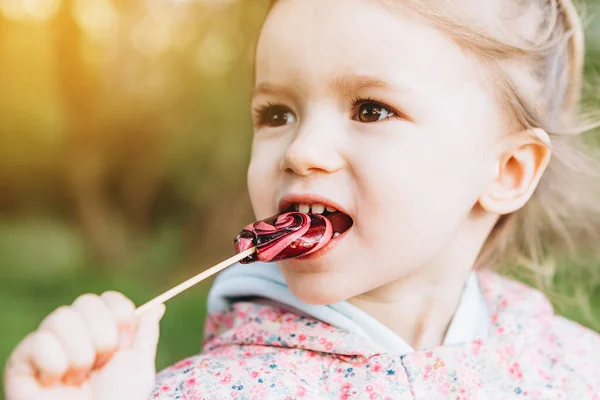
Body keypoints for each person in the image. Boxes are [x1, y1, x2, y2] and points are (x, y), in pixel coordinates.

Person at [5, 0, 600, 398]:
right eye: (276, 113)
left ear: (508, 171)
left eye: (372, 109)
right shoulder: (211, 390)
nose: (301, 149)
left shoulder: (572, 366)